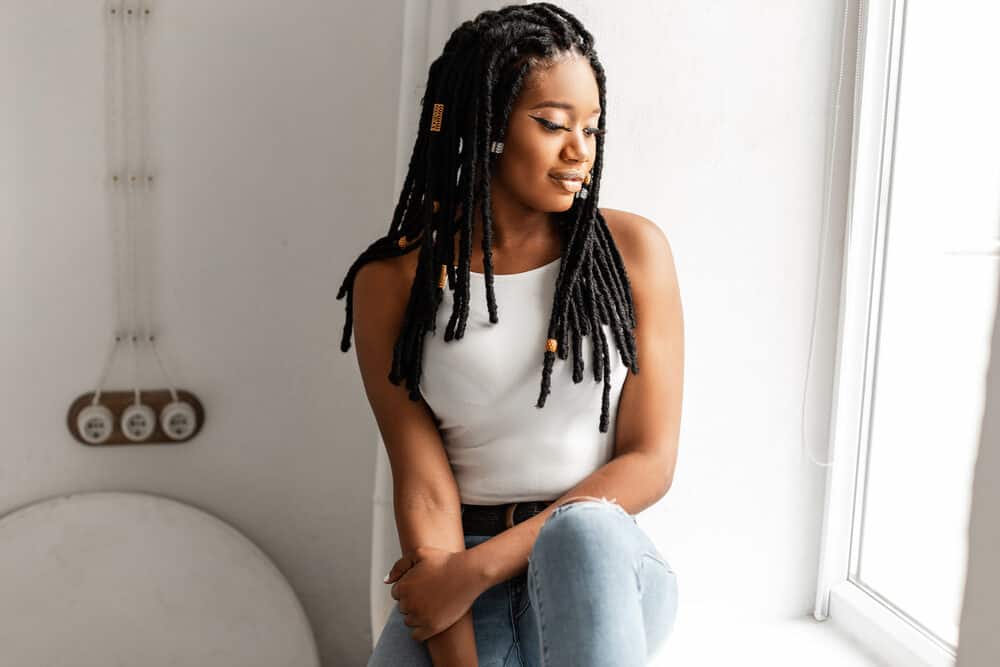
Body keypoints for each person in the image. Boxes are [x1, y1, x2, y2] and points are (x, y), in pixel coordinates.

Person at [338, 3, 684, 665]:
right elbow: (424, 487)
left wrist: (474, 570)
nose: (580, 150)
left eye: (591, 126)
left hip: (599, 567)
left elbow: (650, 462)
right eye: (553, 124)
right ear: (485, 123)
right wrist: (453, 595)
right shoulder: (391, 283)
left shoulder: (633, 252)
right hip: (456, 555)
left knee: (580, 530)